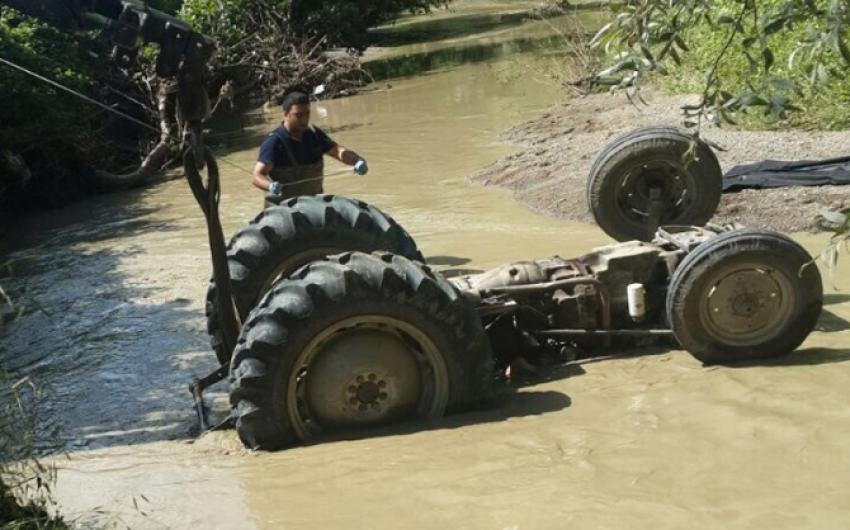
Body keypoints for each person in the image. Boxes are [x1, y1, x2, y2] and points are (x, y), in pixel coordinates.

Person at [252, 91, 368, 207]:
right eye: (298, 115)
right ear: (286, 114)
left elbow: (338, 151)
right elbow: (257, 175)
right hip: (283, 211)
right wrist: (269, 186)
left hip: (313, 206)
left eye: (307, 113)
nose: (304, 120)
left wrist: (357, 160)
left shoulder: (314, 134)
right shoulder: (274, 141)